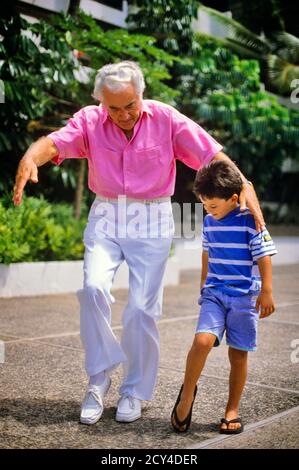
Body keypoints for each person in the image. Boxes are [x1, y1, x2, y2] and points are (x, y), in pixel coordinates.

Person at [13, 61, 265, 425]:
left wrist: (246, 185)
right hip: (107, 214)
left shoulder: (166, 119)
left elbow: (210, 154)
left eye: (129, 105)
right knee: (93, 287)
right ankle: (99, 377)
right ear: (102, 102)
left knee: (143, 309)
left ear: (140, 94)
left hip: (152, 216)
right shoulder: (90, 121)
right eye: (113, 107)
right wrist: (29, 157)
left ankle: (134, 390)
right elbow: (54, 142)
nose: (123, 115)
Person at [171, 160, 277, 434]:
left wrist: (266, 291)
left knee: (238, 355)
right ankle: (187, 395)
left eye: (213, 205)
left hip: (244, 297)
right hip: (215, 294)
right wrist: (204, 283)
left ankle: (232, 409)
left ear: (233, 199)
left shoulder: (250, 220)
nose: (208, 210)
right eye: (204, 204)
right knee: (202, 340)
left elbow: (263, 256)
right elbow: (206, 252)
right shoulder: (209, 221)